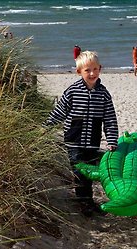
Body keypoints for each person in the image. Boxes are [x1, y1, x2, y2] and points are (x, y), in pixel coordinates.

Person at [44, 51, 119, 217]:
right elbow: (59, 111)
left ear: (100, 69)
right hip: (74, 141)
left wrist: (112, 139)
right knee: (79, 173)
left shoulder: (103, 94)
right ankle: (84, 204)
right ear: (79, 72)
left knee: (89, 173)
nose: (92, 73)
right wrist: (46, 126)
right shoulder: (72, 91)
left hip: (92, 142)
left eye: (95, 69)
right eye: (87, 70)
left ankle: (87, 202)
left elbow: (110, 119)